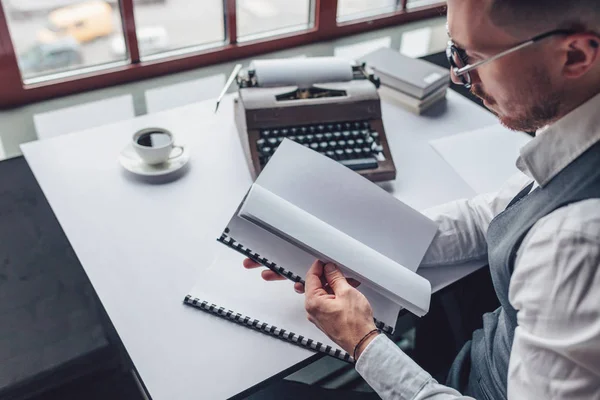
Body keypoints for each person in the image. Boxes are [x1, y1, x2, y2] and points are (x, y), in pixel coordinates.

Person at [244, 0, 600, 398]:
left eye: (473, 57)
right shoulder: (578, 120)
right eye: (453, 48)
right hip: (490, 348)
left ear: (575, 55)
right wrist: (354, 246)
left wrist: (362, 342)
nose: (458, 75)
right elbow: (499, 210)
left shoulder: (575, 242)